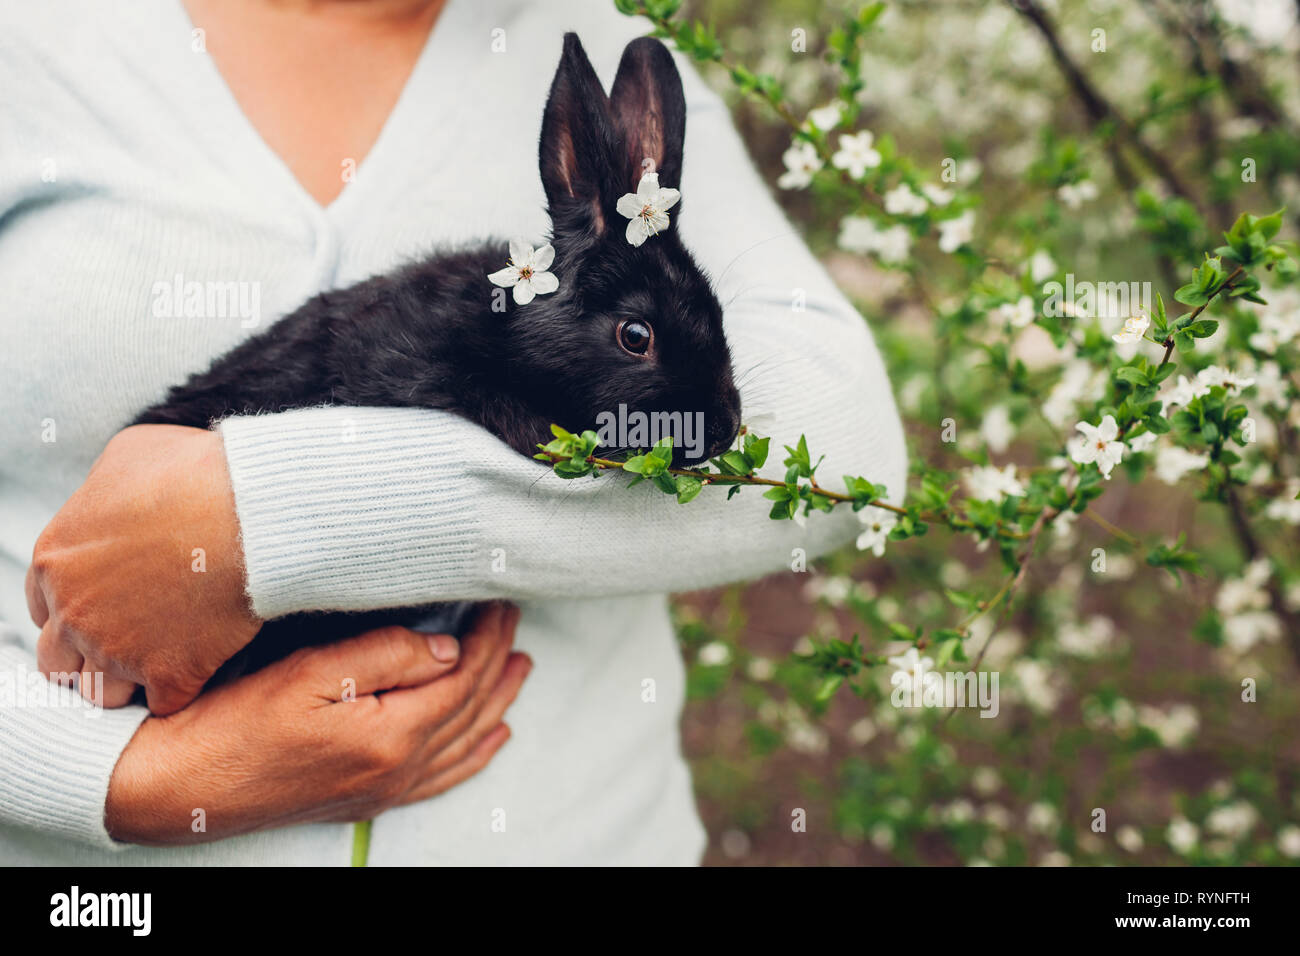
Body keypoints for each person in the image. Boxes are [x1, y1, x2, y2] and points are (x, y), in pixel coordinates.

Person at [0, 0, 907, 864]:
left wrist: (262, 519)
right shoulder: (37, 45)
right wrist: (120, 781)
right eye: (636, 342)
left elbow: (845, 441)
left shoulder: (598, 24)